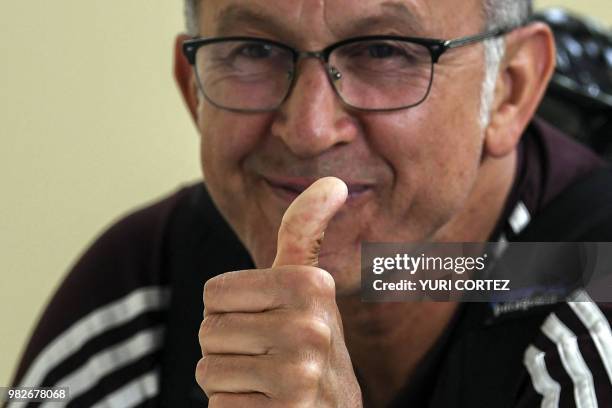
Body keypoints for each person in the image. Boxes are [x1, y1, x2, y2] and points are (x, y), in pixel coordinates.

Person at [8, 0, 612, 407]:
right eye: (252, 50)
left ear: (509, 89)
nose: (309, 129)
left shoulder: (591, 298)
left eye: (384, 51)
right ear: (193, 88)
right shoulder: (142, 287)